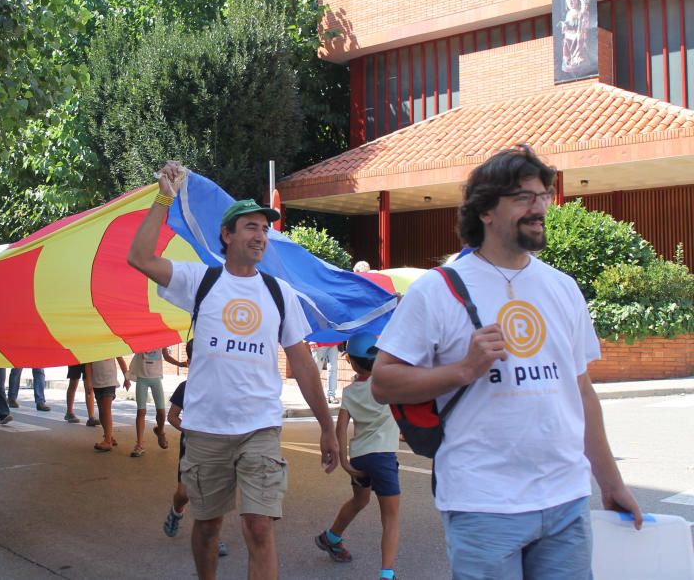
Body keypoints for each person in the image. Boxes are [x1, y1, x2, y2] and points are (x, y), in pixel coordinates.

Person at [371, 145, 642, 579]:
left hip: (566, 502)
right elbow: (383, 382)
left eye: (543, 196)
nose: (539, 207)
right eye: (523, 197)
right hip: (483, 504)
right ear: (485, 211)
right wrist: (463, 370)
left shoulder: (563, 288)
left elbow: (582, 392)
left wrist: (610, 484)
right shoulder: (437, 290)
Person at [128, 161, 337, 580]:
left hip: (259, 427)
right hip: (205, 429)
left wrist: (327, 426)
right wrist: (163, 198)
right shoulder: (199, 282)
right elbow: (139, 257)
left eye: (264, 229)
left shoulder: (280, 294)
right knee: (207, 527)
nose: (260, 235)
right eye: (251, 228)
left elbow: (301, 363)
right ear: (227, 235)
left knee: (260, 527)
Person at [315, 333, 400, 580]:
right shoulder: (390, 384)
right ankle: (387, 574)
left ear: (351, 362)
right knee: (391, 517)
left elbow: (341, 427)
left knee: (360, 501)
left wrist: (344, 462)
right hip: (383, 458)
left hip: (361, 459)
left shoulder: (350, 391)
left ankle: (330, 537)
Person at [163, 341, 227, 558]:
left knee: (212, 494)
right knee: (183, 494)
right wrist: (189, 430)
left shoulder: (220, 387)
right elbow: (172, 416)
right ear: (190, 362)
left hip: (216, 447)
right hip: (190, 446)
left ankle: (213, 536)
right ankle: (176, 512)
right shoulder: (185, 387)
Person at [128, 345, 187, 457]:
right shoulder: (140, 340)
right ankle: (139, 445)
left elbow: (166, 356)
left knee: (161, 412)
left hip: (156, 379)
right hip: (142, 379)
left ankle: (160, 431)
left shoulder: (160, 340)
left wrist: (180, 364)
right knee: (141, 411)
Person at [85, 356, 130, 452]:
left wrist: (127, 378)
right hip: (97, 383)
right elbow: (88, 364)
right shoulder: (91, 346)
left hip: (109, 382)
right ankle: (108, 435)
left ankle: (108, 441)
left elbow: (121, 360)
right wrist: (89, 382)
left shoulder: (111, 344)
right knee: (101, 412)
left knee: (106, 410)